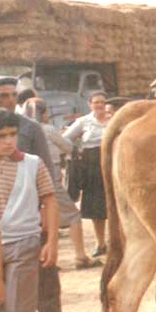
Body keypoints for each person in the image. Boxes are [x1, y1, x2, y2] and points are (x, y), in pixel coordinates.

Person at [0, 108, 58, 312]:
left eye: (12, 135)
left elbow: (50, 199)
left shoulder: (32, 164)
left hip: (24, 243)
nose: (8, 141)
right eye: (1, 137)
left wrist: (51, 241)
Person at [23, 98, 97, 275]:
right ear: (44, 113)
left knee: (40, 220)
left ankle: (42, 259)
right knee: (73, 216)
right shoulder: (47, 130)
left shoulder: (23, 130)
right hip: (50, 179)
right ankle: (80, 257)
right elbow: (68, 147)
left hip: (28, 181)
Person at [63, 92, 109, 257]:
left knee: (116, 203)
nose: (100, 105)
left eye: (102, 102)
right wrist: (76, 150)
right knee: (96, 206)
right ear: (90, 104)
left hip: (112, 161)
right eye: (96, 102)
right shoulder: (84, 121)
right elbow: (65, 138)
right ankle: (101, 243)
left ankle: (119, 243)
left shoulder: (113, 119)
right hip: (92, 166)